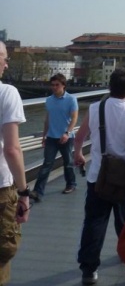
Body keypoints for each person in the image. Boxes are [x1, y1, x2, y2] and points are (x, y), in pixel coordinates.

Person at [74, 68, 125, 286]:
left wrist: (78, 154)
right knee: (124, 220)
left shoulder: (95, 108)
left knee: (94, 222)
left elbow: (80, 136)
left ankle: (89, 269)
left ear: (109, 86)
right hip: (124, 178)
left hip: (98, 176)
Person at [0, 42, 30, 286]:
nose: (7, 63)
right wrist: (23, 192)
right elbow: (11, 149)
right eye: (4, 58)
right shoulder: (7, 93)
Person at [29, 73, 78, 202]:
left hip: (66, 137)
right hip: (51, 137)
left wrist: (67, 133)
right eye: (52, 85)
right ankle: (37, 192)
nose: (54, 87)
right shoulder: (49, 100)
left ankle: (71, 184)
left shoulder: (71, 99)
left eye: (57, 85)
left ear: (63, 85)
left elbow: (74, 118)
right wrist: (44, 135)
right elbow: (47, 119)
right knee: (47, 164)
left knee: (68, 163)